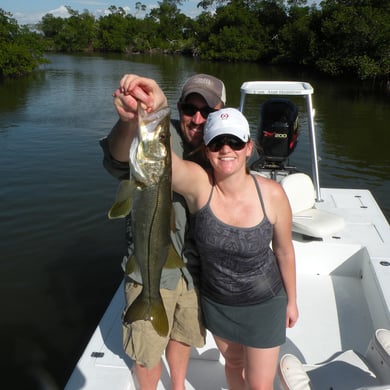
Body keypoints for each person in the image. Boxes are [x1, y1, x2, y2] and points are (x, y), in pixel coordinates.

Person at [100, 73, 226, 389]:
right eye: (189, 108)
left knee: (183, 336)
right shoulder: (158, 134)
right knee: (147, 352)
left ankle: (178, 385)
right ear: (179, 108)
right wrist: (132, 121)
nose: (196, 119)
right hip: (151, 269)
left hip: (197, 270)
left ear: (220, 112)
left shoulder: (226, 146)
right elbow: (117, 159)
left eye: (207, 111)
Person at [170, 108, 299, 389]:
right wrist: (150, 113)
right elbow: (163, 164)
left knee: (259, 385)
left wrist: (292, 300)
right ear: (207, 151)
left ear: (249, 147)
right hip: (219, 304)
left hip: (265, 303)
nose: (226, 149)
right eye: (217, 143)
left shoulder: (273, 195)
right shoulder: (200, 187)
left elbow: (284, 251)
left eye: (235, 142)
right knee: (234, 365)